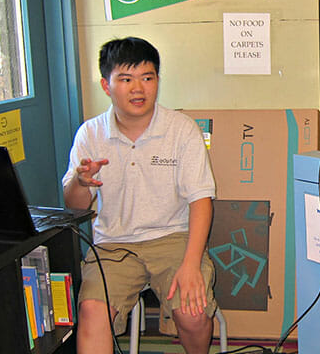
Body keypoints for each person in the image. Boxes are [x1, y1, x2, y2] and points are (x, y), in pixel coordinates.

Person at [62, 37, 216, 354]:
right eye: (126, 79)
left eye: (147, 78)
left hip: (173, 239)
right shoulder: (89, 133)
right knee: (92, 313)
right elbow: (75, 205)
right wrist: (81, 182)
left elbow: (201, 199)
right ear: (106, 85)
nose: (138, 89)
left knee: (193, 312)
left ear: (158, 80)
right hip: (112, 245)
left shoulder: (182, 129)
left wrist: (190, 265)